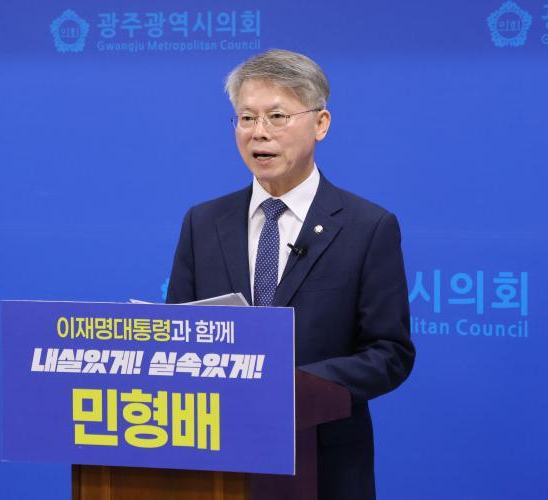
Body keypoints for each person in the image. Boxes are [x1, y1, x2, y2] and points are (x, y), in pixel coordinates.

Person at [166, 49, 415, 500]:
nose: (259, 132)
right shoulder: (202, 223)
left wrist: (292, 385)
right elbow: (176, 339)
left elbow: (389, 353)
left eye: (277, 116)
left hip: (323, 464)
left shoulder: (367, 227)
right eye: (246, 118)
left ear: (321, 123)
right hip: (218, 457)